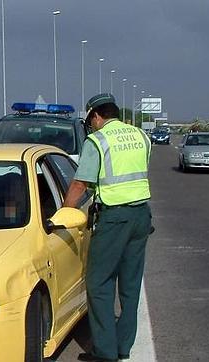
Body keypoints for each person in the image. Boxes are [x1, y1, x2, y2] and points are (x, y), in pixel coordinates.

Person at [62, 93, 153, 362]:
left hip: (114, 218)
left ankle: (104, 352)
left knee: (99, 282)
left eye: (91, 121)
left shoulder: (98, 141)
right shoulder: (140, 136)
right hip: (141, 216)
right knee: (130, 284)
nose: (91, 125)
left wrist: (64, 214)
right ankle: (123, 346)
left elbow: (80, 184)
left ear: (96, 116)